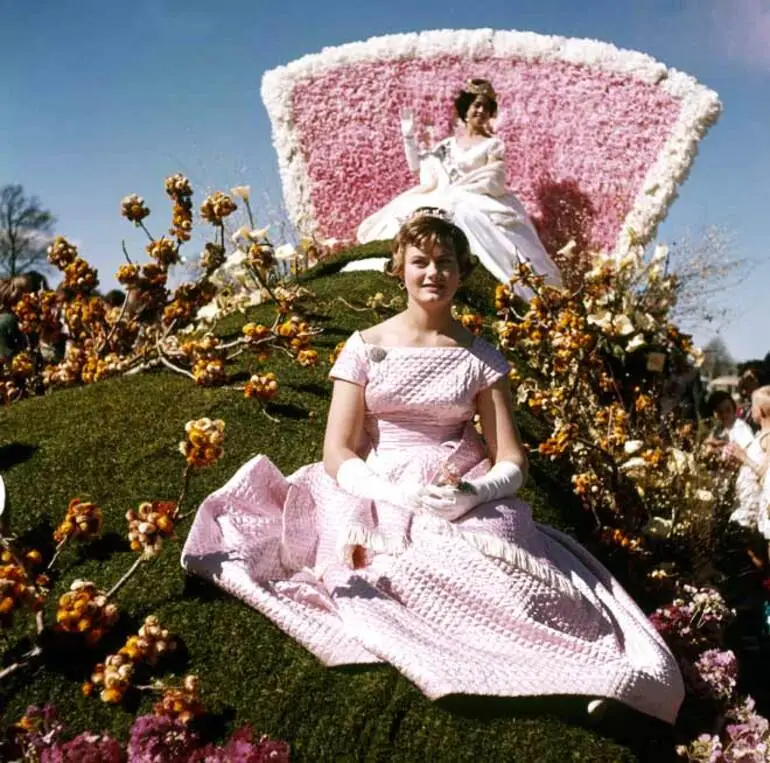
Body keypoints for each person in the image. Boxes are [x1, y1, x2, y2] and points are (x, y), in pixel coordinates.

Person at [182, 210, 683, 724]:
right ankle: (511, 671)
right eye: (420, 261)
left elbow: (512, 457)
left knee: (516, 566)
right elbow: (337, 450)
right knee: (414, 568)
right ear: (399, 267)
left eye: (445, 262)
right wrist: (384, 491)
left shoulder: (480, 358)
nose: (433, 273)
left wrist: (477, 493)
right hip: (374, 488)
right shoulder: (364, 348)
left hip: (456, 482)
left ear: (462, 271)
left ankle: (598, 674)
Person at [356, 79, 562, 298]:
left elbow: (494, 177)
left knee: (467, 220)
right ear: (466, 108)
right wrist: (408, 138)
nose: (480, 111)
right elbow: (419, 168)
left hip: (476, 198)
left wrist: (464, 189)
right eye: (476, 105)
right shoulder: (447, 145)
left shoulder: (492, 145)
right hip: (442, 195)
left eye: (485, 106)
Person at [726, 386, 770, 538]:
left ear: (761, 411)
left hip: (755, 505)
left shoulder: (768, 438)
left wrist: (744, 457)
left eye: (753, 406)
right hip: (746, 501)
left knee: (753, 548)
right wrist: (739, 460)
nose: (750, 410)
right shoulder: (761, 434)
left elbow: (766, 474)